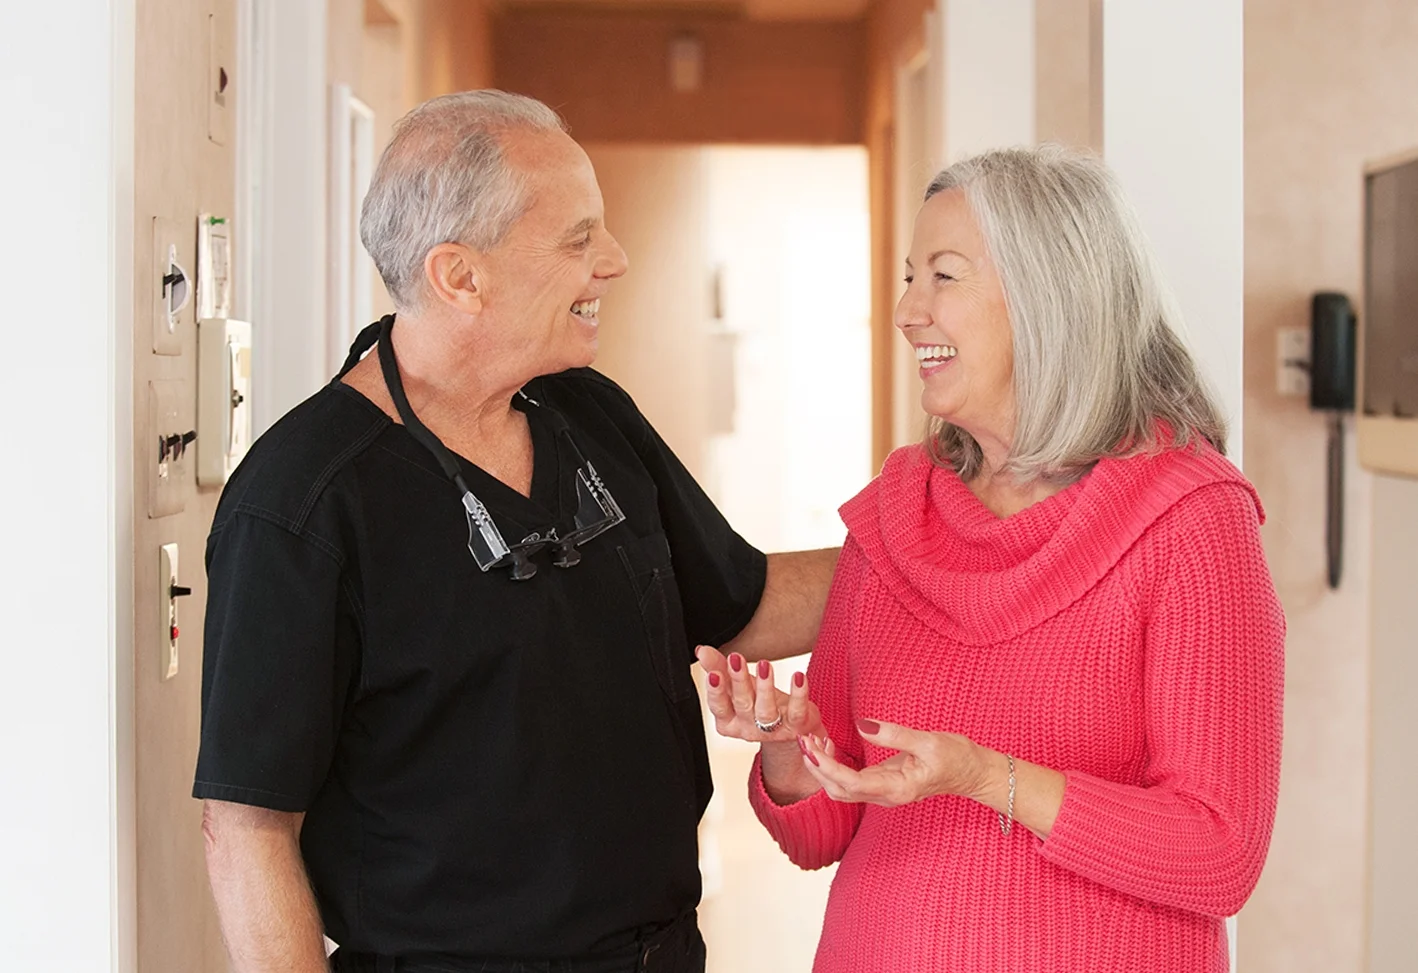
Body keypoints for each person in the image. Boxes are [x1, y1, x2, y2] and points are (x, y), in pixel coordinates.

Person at [193, 89, 837, 973]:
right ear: (461, 276)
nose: (612, 261)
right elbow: (246, 827)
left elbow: (744, 602)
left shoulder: (588, 414)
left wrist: (940, 542)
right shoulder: (303, 502)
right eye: (578, 238)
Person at [700, 144, 1285, 973]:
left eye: (943, 276)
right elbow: (820, 834)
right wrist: (788, 743)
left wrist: (986, 776)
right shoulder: (897, 511)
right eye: (910, 277)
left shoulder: (1191, 520)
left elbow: (1219, 850)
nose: (907, 310)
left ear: (1048, 298)